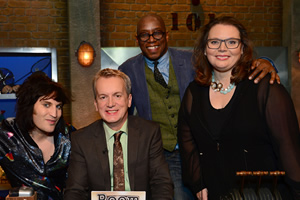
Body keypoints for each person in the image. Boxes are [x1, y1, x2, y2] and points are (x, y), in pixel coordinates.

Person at [118, 13, 280, 200]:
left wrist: (267, 62)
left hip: (198, 148)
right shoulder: (127, 70)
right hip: (159, 153)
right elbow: (122, 114)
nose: (151, 39)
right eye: (145, 35)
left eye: (157, 33)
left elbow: (227, 64)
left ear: (167, 35)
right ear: (137, 39)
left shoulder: (191, 60)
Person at [177, 16, 300, 200]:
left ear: (242, 49)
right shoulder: (194, 92)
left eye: (232, 42)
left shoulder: (265, 89)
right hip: (215, 193)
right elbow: (187, 141)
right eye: (214, 42)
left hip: (261, 194)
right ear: (204, 49)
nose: (222, 48)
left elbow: (289, 148)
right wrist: (198, 183)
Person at [64, 68, 173, 200]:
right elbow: (75, 191)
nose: (110, 104)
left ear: (129, 100)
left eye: (117, 96)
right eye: (103, 97)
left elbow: (161, 183)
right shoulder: (81, 140)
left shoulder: (149, 133)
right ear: (96, 104)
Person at [0, 71, 72, 200]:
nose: (54, 114)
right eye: (46, 105)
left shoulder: (69, 136)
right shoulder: (7, 135)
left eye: (58, 106)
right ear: (29, 105)